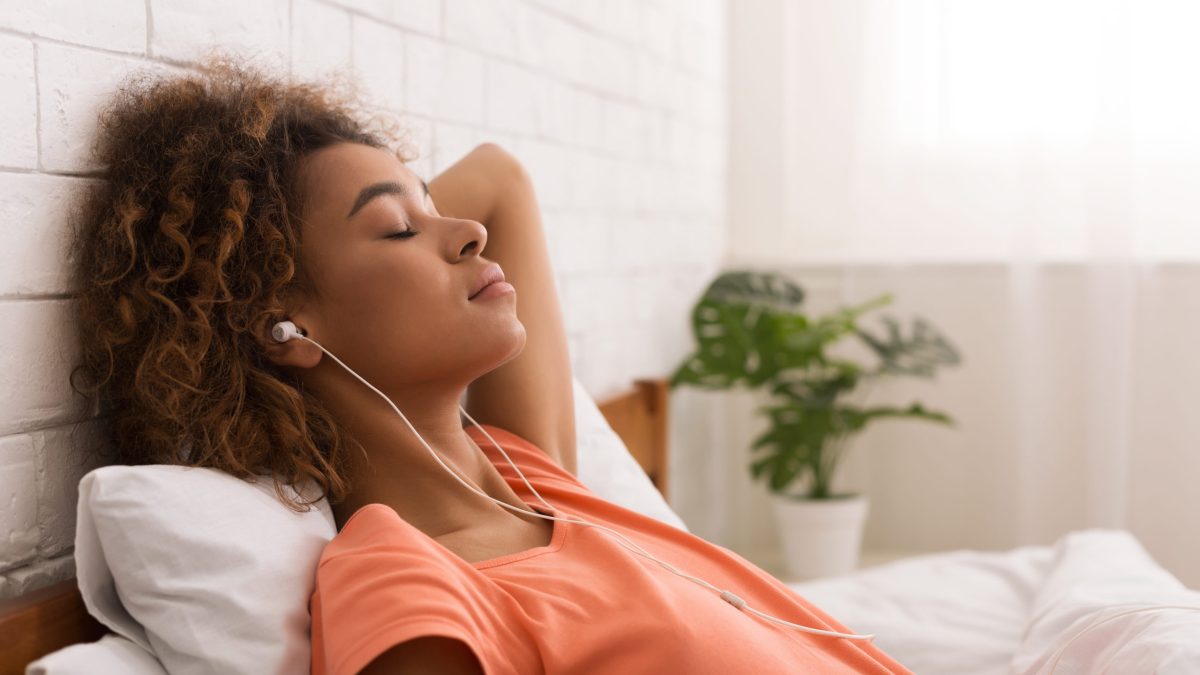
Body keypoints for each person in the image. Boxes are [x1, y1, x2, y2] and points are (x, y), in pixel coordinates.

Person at [69, 52, 912, 675]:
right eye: (399, 228)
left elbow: (502, 181)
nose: (465, 232)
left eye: (436, 208)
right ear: (281, 326)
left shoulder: (523, 469)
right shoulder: (407, 587)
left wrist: (389, 209)